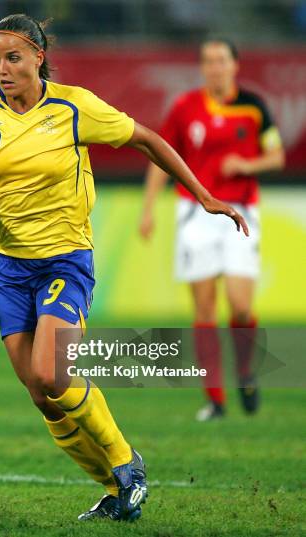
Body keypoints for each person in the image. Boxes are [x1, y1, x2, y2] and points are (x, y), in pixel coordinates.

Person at [0, 14, 248, 522]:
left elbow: (147, 139)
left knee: (52, 371)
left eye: (13, 57)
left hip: (66, 258)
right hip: (9, 268)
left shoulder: (74, 106)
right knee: (41, 396)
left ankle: (128, 463)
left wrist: (203, 195)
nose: (2, 68)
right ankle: (115, 490)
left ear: (39, 58)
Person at [139, 38, 285, 422]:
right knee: (204, 309)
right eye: (207, 61)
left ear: (235, 65)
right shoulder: (185, 108)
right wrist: (149, 207)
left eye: (221, 60)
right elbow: (160, 156)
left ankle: (245, 372)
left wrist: (246, 165)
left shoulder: (253, 107)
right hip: (194, 214)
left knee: (240, 306)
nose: (214, 67)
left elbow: (277, 155)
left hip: (240, 214)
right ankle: (216, 401)